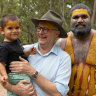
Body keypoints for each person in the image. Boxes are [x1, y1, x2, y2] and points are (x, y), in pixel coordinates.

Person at [4, 10, 71, 96]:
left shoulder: (64, 58)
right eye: (39, 28)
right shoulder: (23, 50)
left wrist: (31, 71)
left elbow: (58, 92)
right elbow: (2, 74)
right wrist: (13, 88)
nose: (41, 32)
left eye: (46, 29)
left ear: (56, 34)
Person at [56, 3, 96, 96]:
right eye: (76, 17)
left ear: (90, 19)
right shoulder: (62, 43)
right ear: (70, 20)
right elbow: (54, 74)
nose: (80, 20)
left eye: (84, 17)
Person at [0, 14, 36, 96]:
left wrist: (29, 52)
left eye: (17, 28)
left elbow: (20, 55)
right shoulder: (4, 47)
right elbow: (1, 63)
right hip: (13, 74)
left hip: (19, 73)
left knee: (13, 93)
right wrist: (4, 75)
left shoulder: (17, 41)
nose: (14, 30)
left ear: (20, 28)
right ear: (2, 30)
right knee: (30, 90)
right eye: (10, 28)